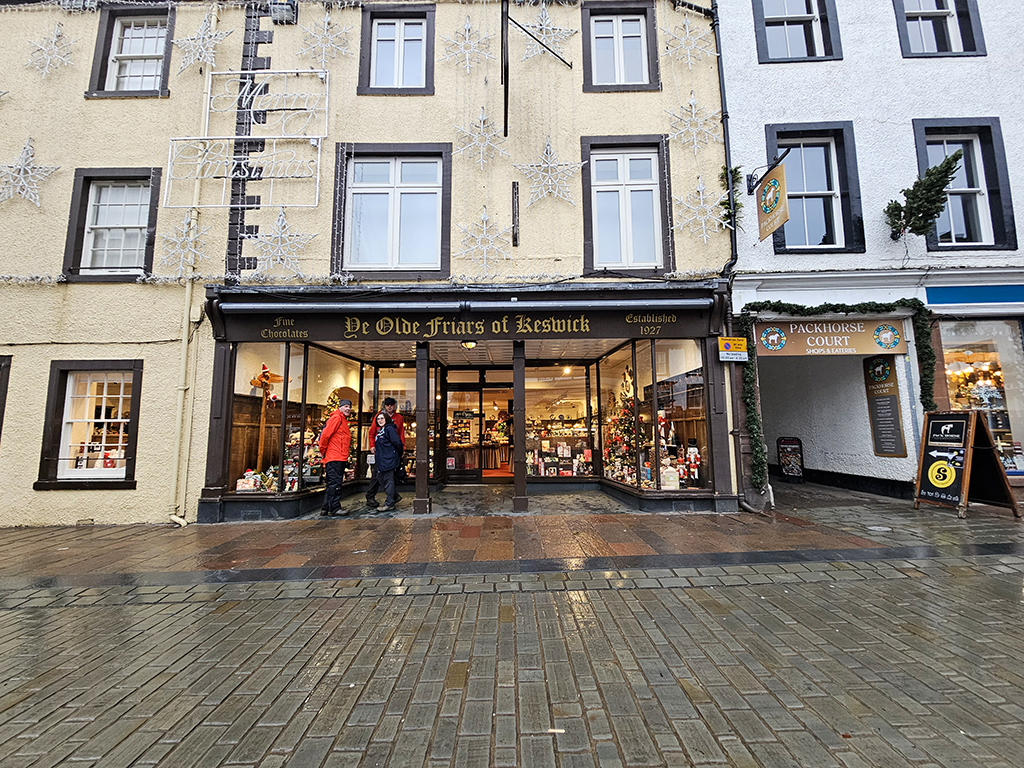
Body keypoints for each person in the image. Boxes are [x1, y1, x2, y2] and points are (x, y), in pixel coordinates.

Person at [365, 396, 405, 508]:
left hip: (390, 453)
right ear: (384, 406)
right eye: (388, 405)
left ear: (395, 406)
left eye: (391, 405)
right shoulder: (379, 417)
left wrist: (402, 449)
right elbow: (371, 432)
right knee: (379, 475)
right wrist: (372, 445)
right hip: (380, 452)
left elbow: (400, 435)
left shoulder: (398, 418)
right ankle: (382, 496)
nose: (390, 407)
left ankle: (390, 499)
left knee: (386, 476)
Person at [318, 398, 352, 516]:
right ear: (340, 407)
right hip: (335, 456)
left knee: (332, 482)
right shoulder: (337, 418)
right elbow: (325, 435)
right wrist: (322, 450)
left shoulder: (341, 419)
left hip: (337, 456)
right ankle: (335, 508)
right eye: (345, 406)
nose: (348, 408)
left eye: (349, 406)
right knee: (335, 483)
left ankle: (325, 507)